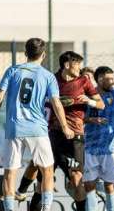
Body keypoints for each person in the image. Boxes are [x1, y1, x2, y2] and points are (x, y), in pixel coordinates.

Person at [0, 38, 74, 211]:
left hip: (14, 129)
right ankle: (45, 208)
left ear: (25, 53)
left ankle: (9, 209)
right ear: (43, 55)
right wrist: (65, 127)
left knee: (10, 172)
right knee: (47, 170)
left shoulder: (13, 70)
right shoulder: (48, 76)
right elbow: (56, 104)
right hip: (37, 129)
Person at [32, 52, 105, 211]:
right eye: (77, 64)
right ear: (67, 65)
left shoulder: (84, 81)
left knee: (76, 177)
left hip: (75, 137)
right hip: (53, 135)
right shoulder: (51, 79)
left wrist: (90, 101)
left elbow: (101, 105)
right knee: (43, 178)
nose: (79, 67)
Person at [84, 66, 114, 211]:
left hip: (111, 149)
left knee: (110, 186)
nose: (113, 81)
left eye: (113, 78)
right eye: (109, 79)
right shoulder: (88, 96)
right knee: (89, 186)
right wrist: (91, 120)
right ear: (99, 80)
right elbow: (79, 118)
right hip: (89, 148)